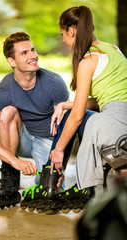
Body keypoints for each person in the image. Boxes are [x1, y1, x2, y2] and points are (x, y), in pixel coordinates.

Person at [20, 5, 127, 214]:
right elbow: (104, 99)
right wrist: (65, 104)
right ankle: (56, 182)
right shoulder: (113, 49)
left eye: (62, 34)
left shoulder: (87, 61)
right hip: (122, 121)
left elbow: (78, 116)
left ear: (71, 30)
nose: (63, 40)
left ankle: (61, 184)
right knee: (71, 112)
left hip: (114, 129)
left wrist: (58, 149)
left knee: (75, 118)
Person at [0, 31, 69, 210]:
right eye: (24, 53)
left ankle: (48, 179)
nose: (33, 56)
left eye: (32, 50)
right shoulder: (2, 90)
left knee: (48, 194)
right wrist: (15, 162)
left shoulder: (54, 82)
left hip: (50, 141)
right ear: (12, 62)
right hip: (22, 138)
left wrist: (60, 164)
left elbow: (67, 126)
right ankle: (9, 177)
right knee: (7, 111)